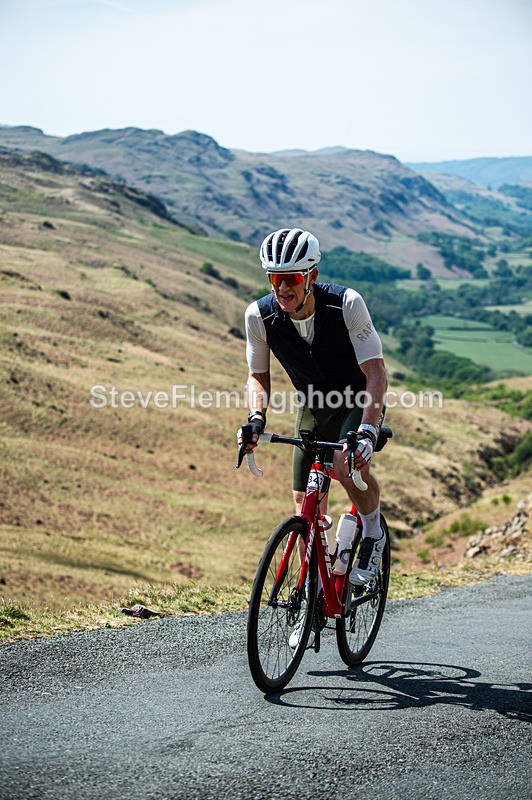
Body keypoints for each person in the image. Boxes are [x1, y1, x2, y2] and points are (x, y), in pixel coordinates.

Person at [239, 227, 388, 595]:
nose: (282, 288)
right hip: (314, 405)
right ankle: (318, 585)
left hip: (356, 400)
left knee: (345, 463)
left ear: (311, 276)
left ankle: (372, 531)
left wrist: (367, 430)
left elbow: (376, 372)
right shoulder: (260, 316)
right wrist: (256, 419)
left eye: (290, 278)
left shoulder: (346, 304)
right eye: (275, 278)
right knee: (303, 502)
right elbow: (258, 376)